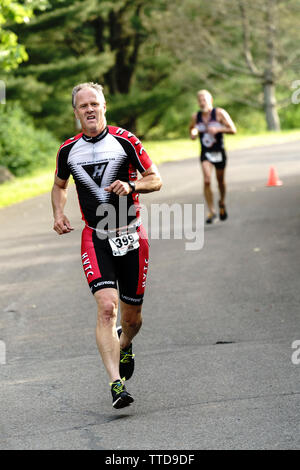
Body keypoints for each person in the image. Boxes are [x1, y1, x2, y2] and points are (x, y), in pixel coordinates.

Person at [51, 82, 162, 409]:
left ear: (104, 106)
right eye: (82, 105)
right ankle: (116, 384)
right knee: (106, 307)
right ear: (75, 112)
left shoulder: (125, 140)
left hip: (131, 234)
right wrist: (58, 211)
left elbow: (155, 178)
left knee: (132, 318)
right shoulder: (68, 150)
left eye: (94, 103)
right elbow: (59, 186)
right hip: (95, 237)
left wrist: (132, 185)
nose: (89, 109)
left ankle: (124, 342)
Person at [189, 89, 236, 223]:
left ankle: (221, 201)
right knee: (207, 180)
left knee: (220, 180)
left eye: (204, 99)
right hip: (205, 152)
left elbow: (233, 129)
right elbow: (191, 129)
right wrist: (193, 133)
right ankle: (211, 211)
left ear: (211, 100)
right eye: (200, 100)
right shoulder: (195, 117)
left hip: (219, 151)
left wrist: (219, 129)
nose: (202, 102)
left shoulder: (220, 113)